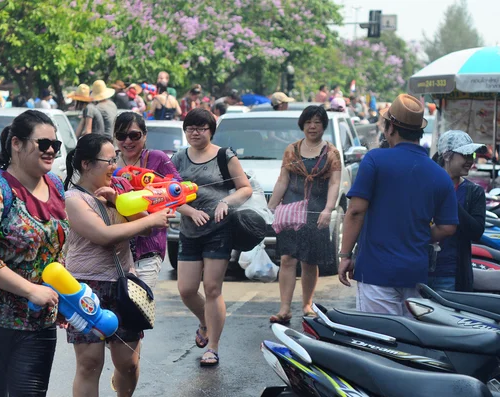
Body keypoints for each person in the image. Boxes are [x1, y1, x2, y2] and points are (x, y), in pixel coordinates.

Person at [0, 110, 68, 396]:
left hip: (39, 321)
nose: (50, 151)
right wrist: (31, 291)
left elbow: (57, 250)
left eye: (55, 145)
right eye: (42, 144)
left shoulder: (56, 185)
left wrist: (65, 296)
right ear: (16, 144)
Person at [63, 134, 173, 397]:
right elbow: (103, 235)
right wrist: (150, 221)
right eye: (109, 160)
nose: (115, 165)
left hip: (125, 286)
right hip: (85, 289)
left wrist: (117, 201)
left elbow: (146, 229)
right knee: (89, 364)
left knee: (128, 364)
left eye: (115, 159)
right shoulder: (72, 199)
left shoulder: (118, 191)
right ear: (87, 164)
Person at [338, 94, 458, 316]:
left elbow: (355, 212)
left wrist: (345, 255)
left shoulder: (375, 160)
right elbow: (448, 227)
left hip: (376, 272)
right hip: (416, 274)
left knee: (380, 342)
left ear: (390, 127)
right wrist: (419, 234)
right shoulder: (439, 174)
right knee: (410, 341)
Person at [171, 108, 252, 367]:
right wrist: (189, 211)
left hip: (219, 230)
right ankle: (205, 321)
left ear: (211, 131)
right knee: (185, 289)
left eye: (201, 128)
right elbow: (168, 194)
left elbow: (245, 189)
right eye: (190, 128)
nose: (195, 133)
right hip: (189, 230)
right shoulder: (178, 158)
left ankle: (213, 347)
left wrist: (225, 202)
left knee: (213, 288)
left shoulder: (224, 156)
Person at [267, 105, 341, 322]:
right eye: (308, 122)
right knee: (287, 259)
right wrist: (270, 208)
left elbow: (335, 184)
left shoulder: (331, 153)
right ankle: (284, 309)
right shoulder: (292, 150)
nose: (312, 126)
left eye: (317, 122)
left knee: (310, 261)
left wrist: (328, 209)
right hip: (291, 212)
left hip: (316, 213)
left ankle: (307, 305)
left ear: (323, 126)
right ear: (302, 124)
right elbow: (283, 181)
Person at [115, 111, 182, 288]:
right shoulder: (110, 162)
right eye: (121, 136)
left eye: (134, 135)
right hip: (115, 246)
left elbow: (178, 188)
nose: (128, 141)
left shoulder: (156, 158)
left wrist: (155, 196)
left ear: (144, 136)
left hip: (148, 246)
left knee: (140, 305)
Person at [429, 131, 486, 291]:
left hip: (451, 274)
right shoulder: (426, 185)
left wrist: (448, 197)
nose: (470, 161)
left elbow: (476, 232)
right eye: (465, 155)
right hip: (418, 271)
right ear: (447, 156)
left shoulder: (474, 192)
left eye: (471, 155)